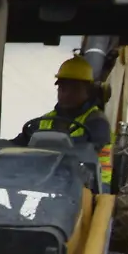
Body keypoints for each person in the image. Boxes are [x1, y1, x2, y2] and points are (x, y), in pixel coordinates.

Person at [14, 55, 113, 190]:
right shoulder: (45, 120)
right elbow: (20, 143)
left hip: (94, 186)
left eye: (74, 89)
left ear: (88, 92)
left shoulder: (97, 121)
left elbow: (88, 147)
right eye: (62, 88)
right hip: (49, 182)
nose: (66, 94)